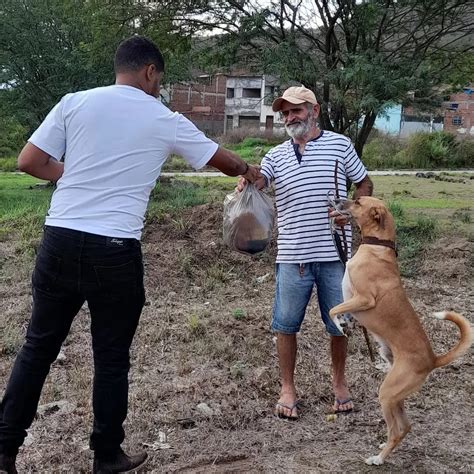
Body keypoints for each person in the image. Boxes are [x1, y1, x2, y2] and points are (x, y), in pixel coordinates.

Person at [0, 36, 261, 474]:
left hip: (59, 240)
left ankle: (5, 451)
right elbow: (224, 162)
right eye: (159, 78)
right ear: (150, 73)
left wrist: (76, 174)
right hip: (114, 250)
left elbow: (29, 160)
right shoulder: (163, 117)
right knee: (111, 355)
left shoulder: (74, 102)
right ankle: (106, 455)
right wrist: (250, 171)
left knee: (37, 348)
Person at [238, 85, 373, 420]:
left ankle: (339, 383)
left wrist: (351, 209)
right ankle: (288, 388)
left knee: (338, 323)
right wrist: (245, 182)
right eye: (284, 112)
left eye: (296, 110)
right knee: (285, 324)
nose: (289, 117)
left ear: (314, 110)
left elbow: (365, 183)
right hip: (291, 256)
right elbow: (261, 180)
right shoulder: (275, 156)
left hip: (334, 256)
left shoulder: (340, 146)